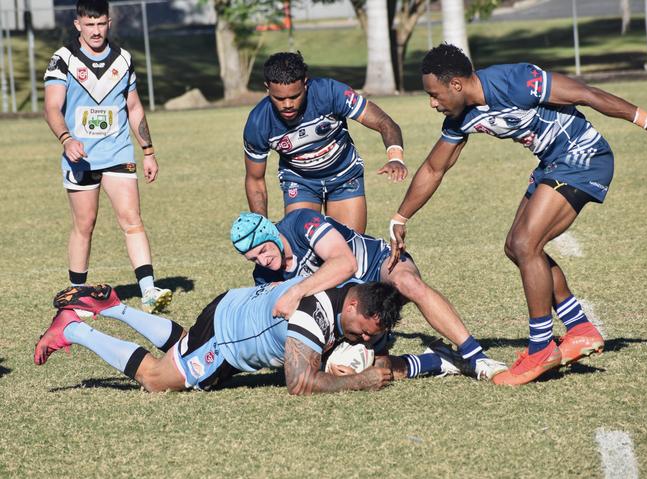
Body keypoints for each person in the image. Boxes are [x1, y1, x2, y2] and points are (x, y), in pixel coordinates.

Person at [388, 43, 647, 385]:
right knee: (516, 246)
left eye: (434, 94)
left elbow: (585, 93)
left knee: (527, 244)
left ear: (456, 85)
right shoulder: (461, 115)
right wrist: (400, 217)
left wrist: (645, 120)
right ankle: (581, 329)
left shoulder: (514, 80)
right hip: (552, 165)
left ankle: (541, 348)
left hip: (582, 156)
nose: (432, 103)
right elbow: (435, 169)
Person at [230, 210, 507, 381]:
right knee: (348, 367)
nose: (263, 261)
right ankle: (439, 361)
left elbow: (345, 263)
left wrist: (296, 291)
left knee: (406, 283)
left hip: (376, 267)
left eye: (264, 250)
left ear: (272, 234)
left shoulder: (301, 222)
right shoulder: (264, 276)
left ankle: (476, 356)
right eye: (253, 258)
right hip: (351, 312)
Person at [34, 281, 434, 393]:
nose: (364, 341)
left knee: (183, 343)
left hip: (234, 306)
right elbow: (299, 383)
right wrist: (358, 379)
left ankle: (113, 307)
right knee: (157, 379)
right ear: (352, 308)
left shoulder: (351, 292)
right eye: (363, 332)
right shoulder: (313, 316)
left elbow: (371, 346)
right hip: (227, 339)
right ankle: (74, 328)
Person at [43, 0, 171, 313]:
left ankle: (149, 290)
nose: (96, 31)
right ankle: (77, 296)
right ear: (78, 24)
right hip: (80, 157)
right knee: (84, 224)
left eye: (101, 24)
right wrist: (66, 138)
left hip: (117, 152)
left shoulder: (123, 59)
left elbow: (134, 107)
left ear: (109, 22)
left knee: (132, 220)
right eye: (89, 25)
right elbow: (51, 108)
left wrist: (149, 151)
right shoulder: (63, 60)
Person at [243, 51, 407, 234]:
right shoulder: (258, 122)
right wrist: (262, 228)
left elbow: (384, 122)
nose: (287, 104)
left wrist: (395, 158)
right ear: (267, 88)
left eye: (295, 96)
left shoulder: (330, 92)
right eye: (279, 98)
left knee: (350, 247)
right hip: (300, 182)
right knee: (302, 251)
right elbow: (255, 179)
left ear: (305, 83)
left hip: (344, 175)